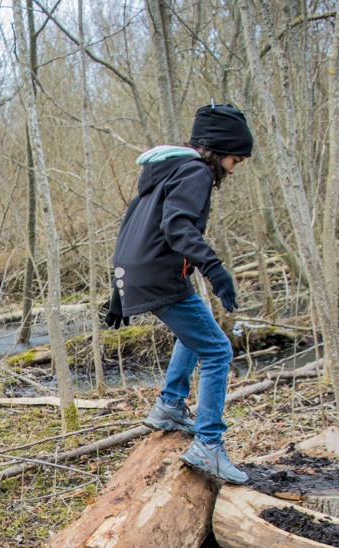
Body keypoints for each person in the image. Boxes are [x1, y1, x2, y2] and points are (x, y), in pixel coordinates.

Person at [105, 104, 255, 485]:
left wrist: (119, 289)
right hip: (160, 275)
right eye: (235, 159)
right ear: (219, 150)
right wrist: (215, 268)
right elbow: (178, 227)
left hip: (141, 273)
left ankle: (170, 405)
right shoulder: (195, 172)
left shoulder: (163, 173)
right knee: (218, 350)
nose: (234, 169)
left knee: (196, 333)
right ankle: (208, 444)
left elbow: (128, 231)